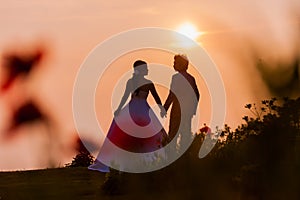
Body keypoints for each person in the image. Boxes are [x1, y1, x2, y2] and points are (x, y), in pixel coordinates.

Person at [89, 60, 167, 172]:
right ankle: (147, 160)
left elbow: (125, 97)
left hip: (131, 108)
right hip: (143, 110)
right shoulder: (148, 83)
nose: (147, 70)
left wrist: (120, 109)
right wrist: (162, 109)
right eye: (145, 68)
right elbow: (157, 98)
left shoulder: (131, 81)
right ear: (140, 70)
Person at [163, 54, 200, 155]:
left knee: (173, 134)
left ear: (182, 65)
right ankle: (185, 156)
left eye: (175, 63)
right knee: (185, 134)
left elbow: (172, 94)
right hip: (187, 112)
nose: (173, 64)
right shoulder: (191, 78)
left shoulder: (176, 78)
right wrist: (193, 110)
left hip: (177, 110)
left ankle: (171, 156)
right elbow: (197, 95)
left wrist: (165, 108)